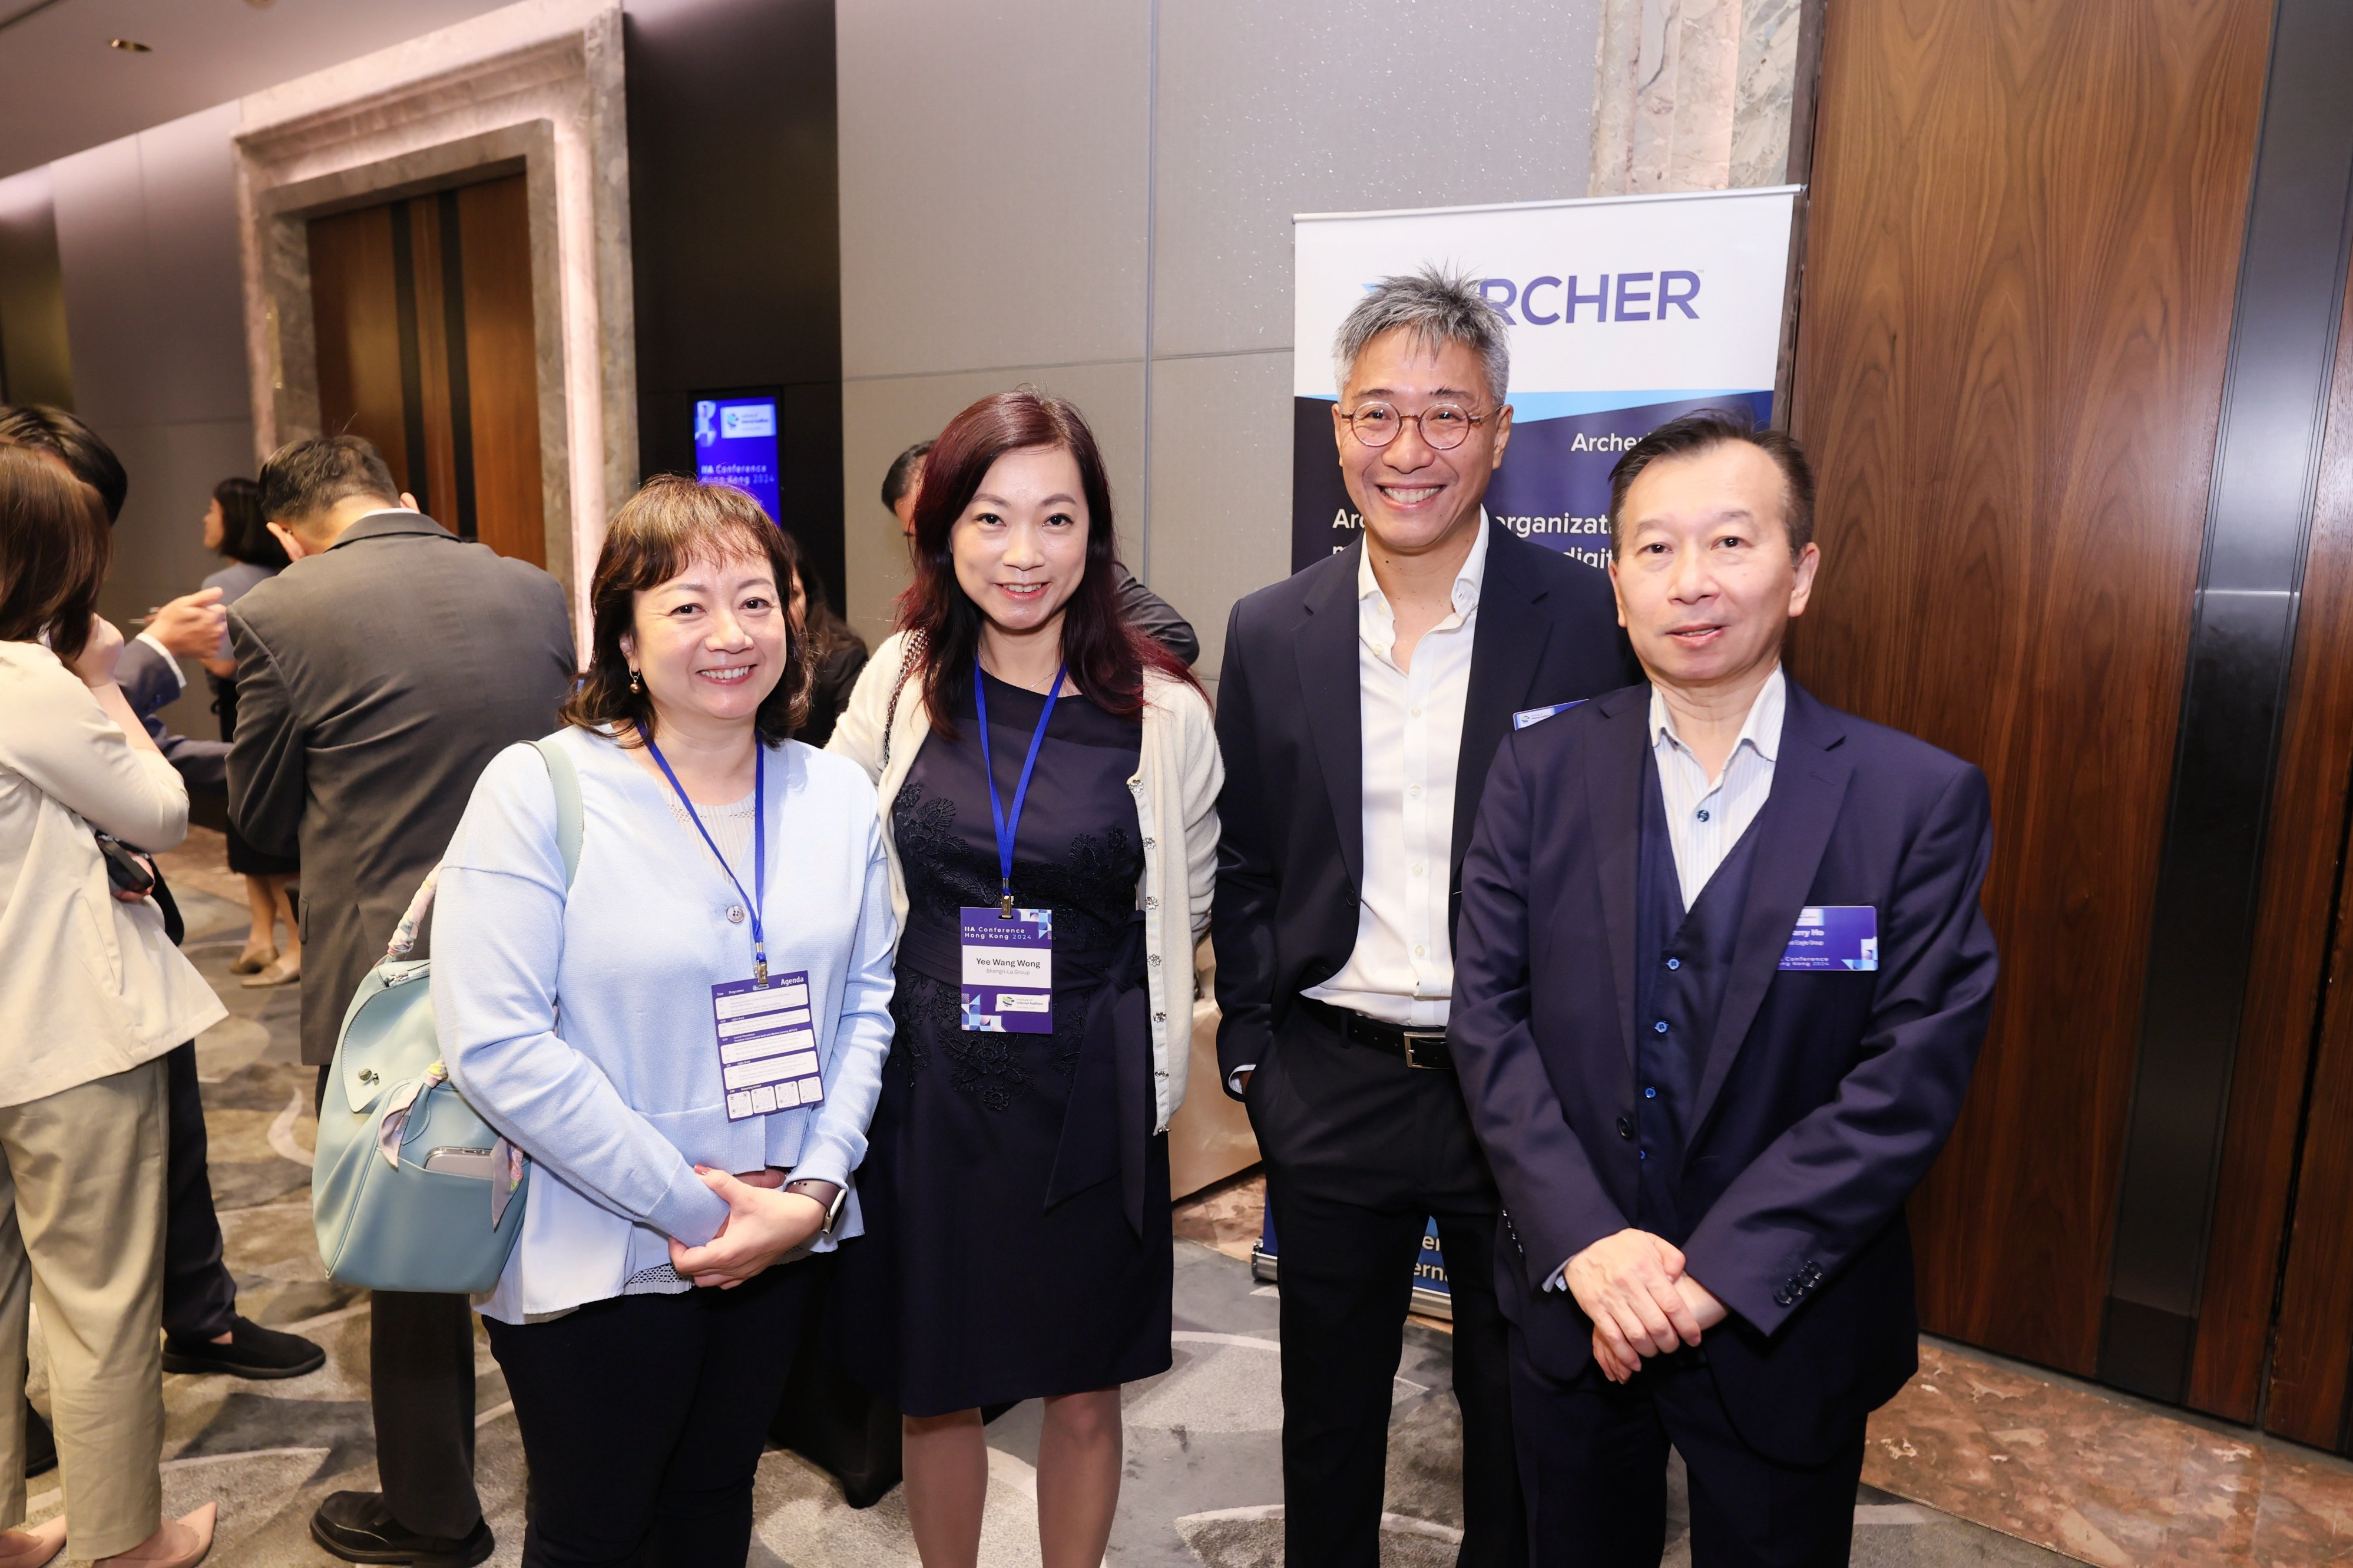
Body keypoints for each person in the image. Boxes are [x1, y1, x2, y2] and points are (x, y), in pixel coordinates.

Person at [1448, 412, 2000, 1566]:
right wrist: (1589, 1247)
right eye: (1654, 548)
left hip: (1785, 1324)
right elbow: (1489, 1019)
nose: (1689, 580)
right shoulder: (1536, 770)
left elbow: (1906, 1076)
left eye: (1730, 542)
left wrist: (1713, 1277)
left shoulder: (1913, 800)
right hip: (1579, 1309)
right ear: (1616, 586)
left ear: (1800, 574)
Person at [1211, 267, 1634, 1568]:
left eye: (1446, 415)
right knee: (1327, 1414)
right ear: (1338, 429)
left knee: (1522, 1415)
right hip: (1332, 1078)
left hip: (1521, 1089)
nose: (1410, 449)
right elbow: (1249, 859)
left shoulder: (1590, 619)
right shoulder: (1270, 627)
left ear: (1499, 434)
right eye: (1378, 413)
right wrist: (1255, 1057)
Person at [431, 476, 895, 1564]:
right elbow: (496, 1043)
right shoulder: (538, 789)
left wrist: (813, 1191)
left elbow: (868, 1001)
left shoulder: (835, 795)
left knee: (714, 1502)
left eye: (755, 600)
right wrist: (704, 1209)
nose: (729, 634)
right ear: (626, 641)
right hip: (597, 1242)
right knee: (592, 1529)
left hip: (780, 1234)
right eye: (687, 605)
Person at [831, 391, 1220, 1568]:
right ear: (943, 528)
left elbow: (1187, 902)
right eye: (991, 517)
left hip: (1087, 1094)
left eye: (1056, 518)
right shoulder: (900, 679)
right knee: (935, 1383)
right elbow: (833, 856)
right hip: (927, 1094)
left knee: (1084, 1385)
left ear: (1094, 532)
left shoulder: (1161, 712)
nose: (1022, 552)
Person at [228, 434, 575, 1568]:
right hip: (544, 946)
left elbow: (260, 819)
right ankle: (585, 1481)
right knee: (560, 1216)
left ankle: (436, 1513)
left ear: (289, 534)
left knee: (413, 1239)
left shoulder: (281, 611)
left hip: (391, 976)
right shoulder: (533, 587)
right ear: (403, 497)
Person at [0, 409, 324, 1407]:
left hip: (104, 933)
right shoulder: (35, 662)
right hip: (53, 986)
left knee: (164, 1149)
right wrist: (138, 658)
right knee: (95, 1300)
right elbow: (144, 790)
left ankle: (198, 1310)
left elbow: (113, 761)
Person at [0, 444, 219, 1567]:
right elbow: (162, 811)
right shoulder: (26, 681)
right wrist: (96, 676)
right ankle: (126, 1542)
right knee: (101, 1302)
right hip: (62, 1037)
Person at [886, 436, 1203, 665]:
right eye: (916, 536)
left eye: (1055, 520)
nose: (1023, 558)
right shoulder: (901, 663)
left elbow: (1175, 638)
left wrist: (1071, 677)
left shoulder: (1071, 568)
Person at [197, 477, 300, 986]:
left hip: (246, 710)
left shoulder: (222, 583)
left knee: (258, 827)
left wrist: (173, 639)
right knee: (255, 828)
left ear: (233, 520)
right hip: (285, 711)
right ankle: (261, 938)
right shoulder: (292, 574)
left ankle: (296, 947)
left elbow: (223, 663)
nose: (205, 519)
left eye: (212, 510)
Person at [777, 527, 869, 748]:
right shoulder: (740, 656)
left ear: (809, 599)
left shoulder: (843, 660)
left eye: (793, 595)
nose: (781, 608)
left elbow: (853, 751)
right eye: (769, 597)